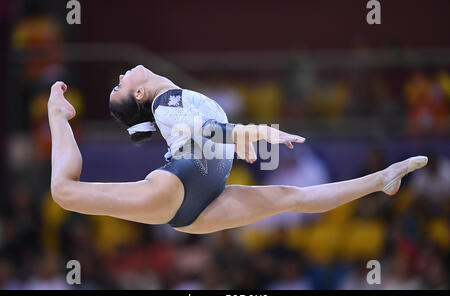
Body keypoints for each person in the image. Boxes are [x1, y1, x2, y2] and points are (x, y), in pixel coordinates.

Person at [48, 65, 428, 234]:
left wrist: (235, 142)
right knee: (63, 192)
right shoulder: (166, 104)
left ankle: (381, 179)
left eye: (116, 84)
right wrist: (249, 131)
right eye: (120, 86)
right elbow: (207, 131)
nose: (120, 77)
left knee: (292, 196)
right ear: (140, 94)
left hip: (196, 204)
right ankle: (56, 114)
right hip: (176, 189)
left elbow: (207, 135)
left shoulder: (174, 99)